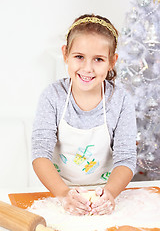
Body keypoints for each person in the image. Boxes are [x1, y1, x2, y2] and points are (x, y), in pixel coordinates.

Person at [32, 14, 137, 216]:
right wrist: (64, 195)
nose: (87, 68)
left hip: (106, 196)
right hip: (60, 194)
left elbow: (126, 159)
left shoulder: (121, 100)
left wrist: (109, 194)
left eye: (98, 59)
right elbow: (40, 155)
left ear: (112, 61)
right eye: (79, 57)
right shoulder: (53, 96)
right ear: (65, 54)